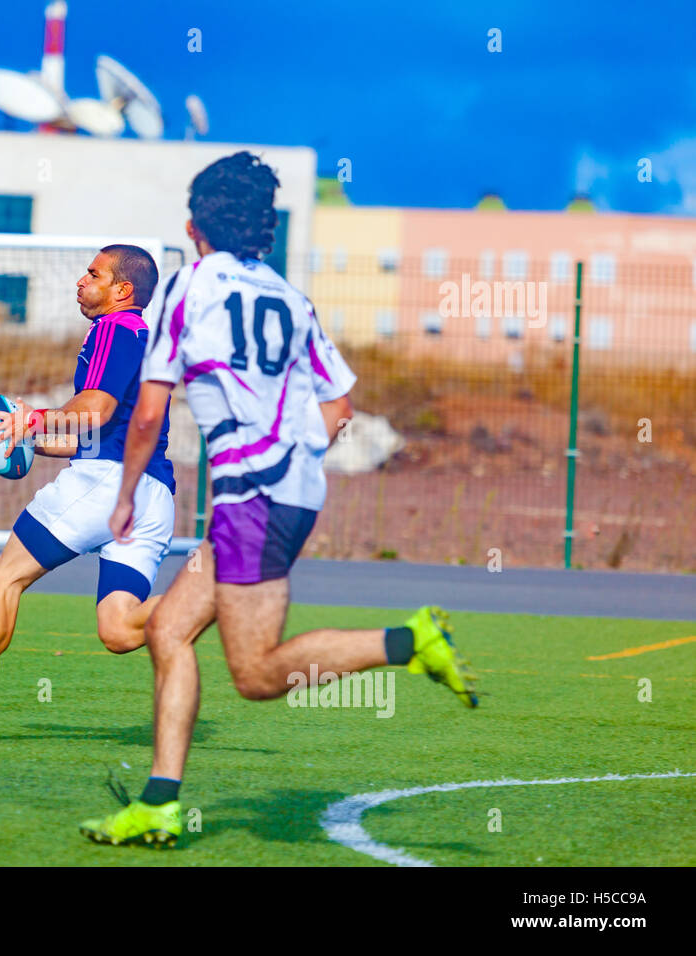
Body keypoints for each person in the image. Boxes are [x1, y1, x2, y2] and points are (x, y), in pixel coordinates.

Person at [79, 153, 478, 844]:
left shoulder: (186, 289)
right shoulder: (291, 299)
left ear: (195, 224)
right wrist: (289, 461)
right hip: (280, 493)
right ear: (263, 226)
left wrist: (122, 495)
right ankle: (159, 802)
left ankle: (407, 640)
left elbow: (147, 416)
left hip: (251, 502)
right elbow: (339, 404)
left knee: (257, 674)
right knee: (168, 631)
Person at [0, 244, 178, 742]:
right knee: (119, 629)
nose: (80, 281)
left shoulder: (114, 329)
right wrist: (27, 436)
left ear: (122, 290)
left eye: (93, 274)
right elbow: (96, 431)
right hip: (152, 495)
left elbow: (91, 410)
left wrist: (32, 418)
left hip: (107, 485)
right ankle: (216, 598)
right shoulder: (148, 339)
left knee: (3, 576)